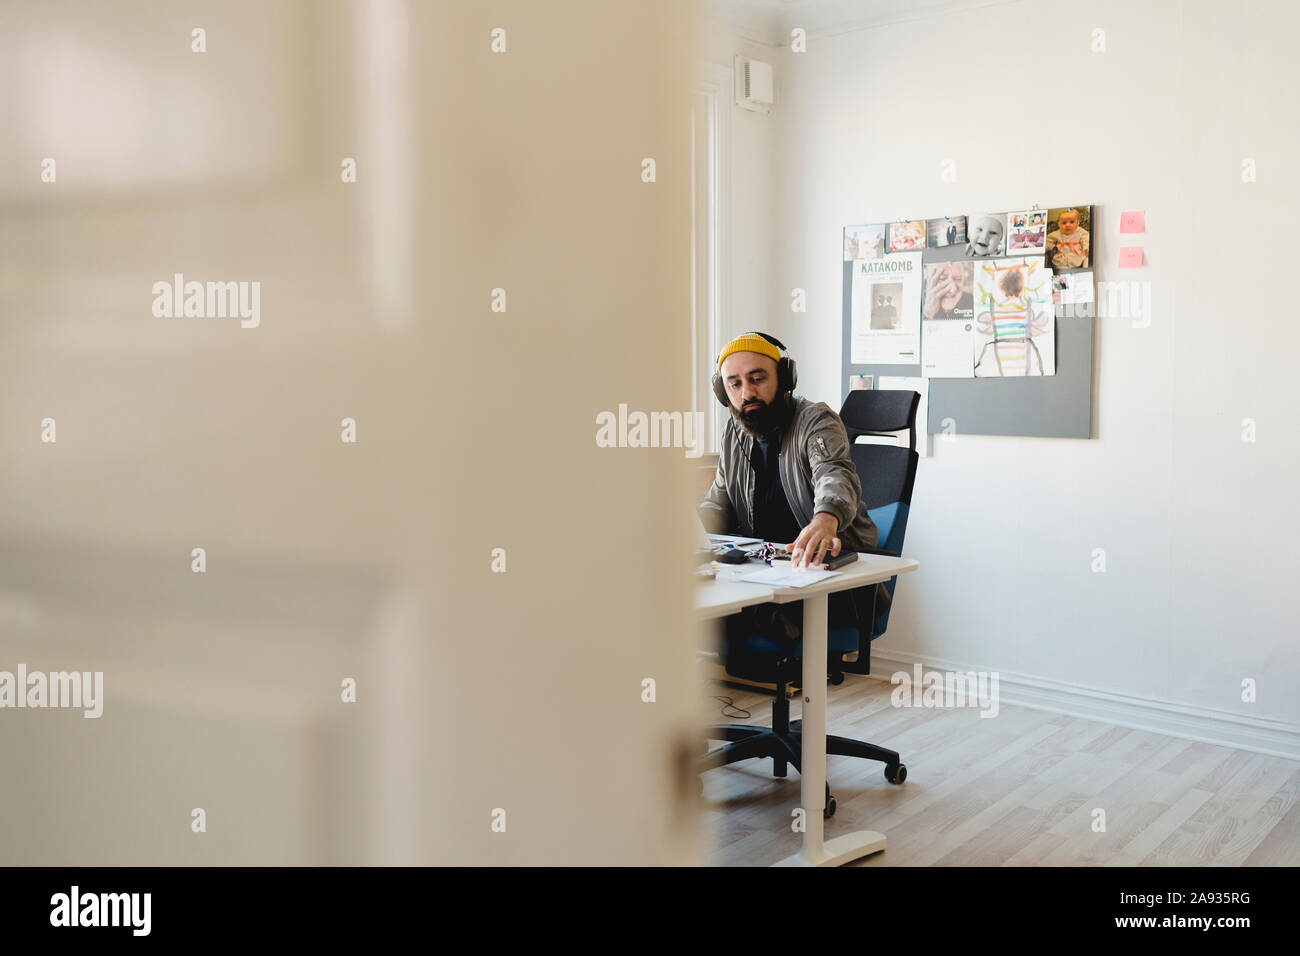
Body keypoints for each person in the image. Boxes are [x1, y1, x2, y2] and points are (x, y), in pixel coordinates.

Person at [700, 332, 889, 648]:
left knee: (722, 613)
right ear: (723, 391)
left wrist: (825, 519)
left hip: (829, 576)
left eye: (758, 378)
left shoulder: (816, 420)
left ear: (784, 378)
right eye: (734, 384)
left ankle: (764, 616)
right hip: (761, 571)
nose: (747, 392)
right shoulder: (734, 431)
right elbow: (720, 497)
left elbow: (834, 473)